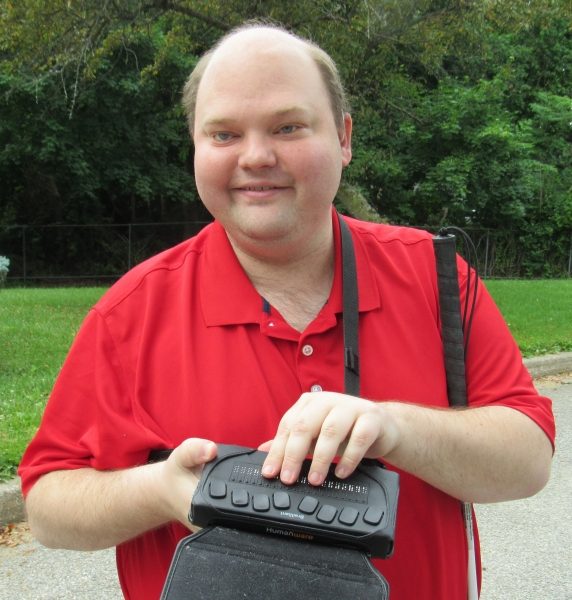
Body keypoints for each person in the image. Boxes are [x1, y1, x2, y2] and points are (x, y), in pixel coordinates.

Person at [19, 22, 555, 600]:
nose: (256, 156)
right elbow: (48, 507)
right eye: (223, 134)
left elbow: (527, 460)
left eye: (288, 127)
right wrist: (162, 490)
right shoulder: (130, 314)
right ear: (195, 148)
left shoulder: (436, 277)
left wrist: (396, 428)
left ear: (344, 137)